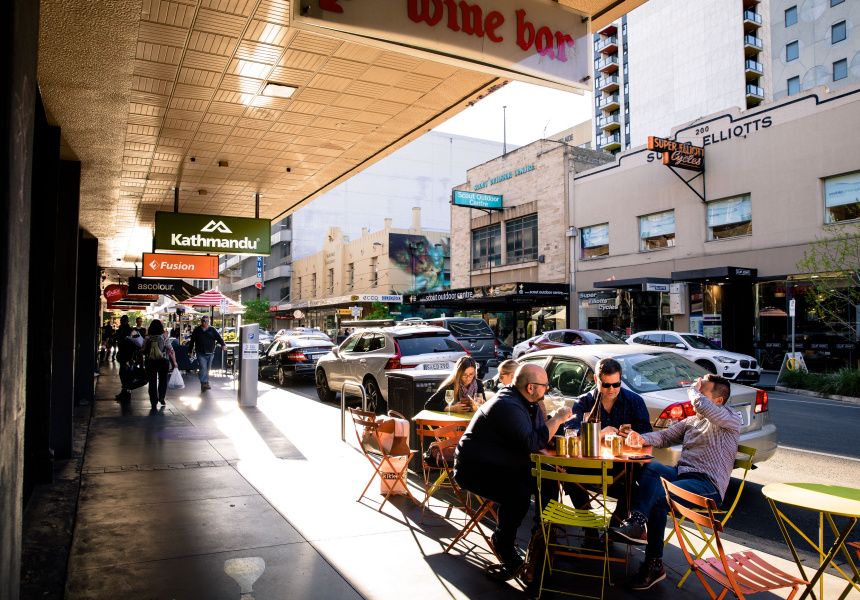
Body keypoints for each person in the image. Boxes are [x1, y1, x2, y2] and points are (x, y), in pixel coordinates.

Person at [609, 374, 741, 590]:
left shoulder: (730, 418)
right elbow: (664, 438)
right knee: (652, 466)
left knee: (661, 497)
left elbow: (699, 403)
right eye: (697, 390)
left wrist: (693, 389)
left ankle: (654, 564)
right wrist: (639, 438)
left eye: (703, 391)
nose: (696, 395)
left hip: (708, 485)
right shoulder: (692, 421)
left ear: (717, 401)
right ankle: (637, 522)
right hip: (683, 475)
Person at [454, 363, 573, 581]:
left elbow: (539, 437)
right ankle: (503, 543)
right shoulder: (506, 403)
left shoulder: (531, 404)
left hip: (504, 463)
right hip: (474, 467)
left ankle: (542, 539)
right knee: (517, 494)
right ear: (530, 387)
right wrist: (556, 419)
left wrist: (557, 425)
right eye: (545, 385)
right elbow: (531, 442)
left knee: (548, 476)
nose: (547, 389)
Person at [563, 358, 652, 526]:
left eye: (616, 385)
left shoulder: (634, 401)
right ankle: (588, 525)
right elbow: (571, 432)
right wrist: (600, 433)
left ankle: (614, 527)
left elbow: (646, 434)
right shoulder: (584, 401)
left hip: (620, 466)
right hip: (588, 463)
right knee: (567, 471)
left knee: (635, 478)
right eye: (606, 385)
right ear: (597, 380)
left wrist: (631, 435)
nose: (611, 389)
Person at [142, 319, 178, 409]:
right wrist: (174, 362)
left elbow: (142, 349)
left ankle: (153, 401)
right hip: (163, 361)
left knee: (152, 381)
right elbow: (170, 350)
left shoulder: (147, 338)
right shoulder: (164, 337)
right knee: (163, 379)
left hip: (150, 361)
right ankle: (161, 396)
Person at [188, 316, 226, 392]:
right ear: (201, 321)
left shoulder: (212, 330)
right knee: (203, 367)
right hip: (200, 352)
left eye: (206, 321)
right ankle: (203, 382)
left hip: (210, 353)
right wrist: (190, 351)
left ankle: (206, 382)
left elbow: (219, 338)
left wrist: (223, 345)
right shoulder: (197, 330)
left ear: (209, 322)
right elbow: (192, 342)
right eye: (203, 320)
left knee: (207, 369)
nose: (205, 322)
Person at [114, 315, 136, 400]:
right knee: (126, 373)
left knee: (124, 373)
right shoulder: (130, 330)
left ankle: (126, 391)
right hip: (129, 355)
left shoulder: (122, 330)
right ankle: (126, 391)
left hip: (124, 354)